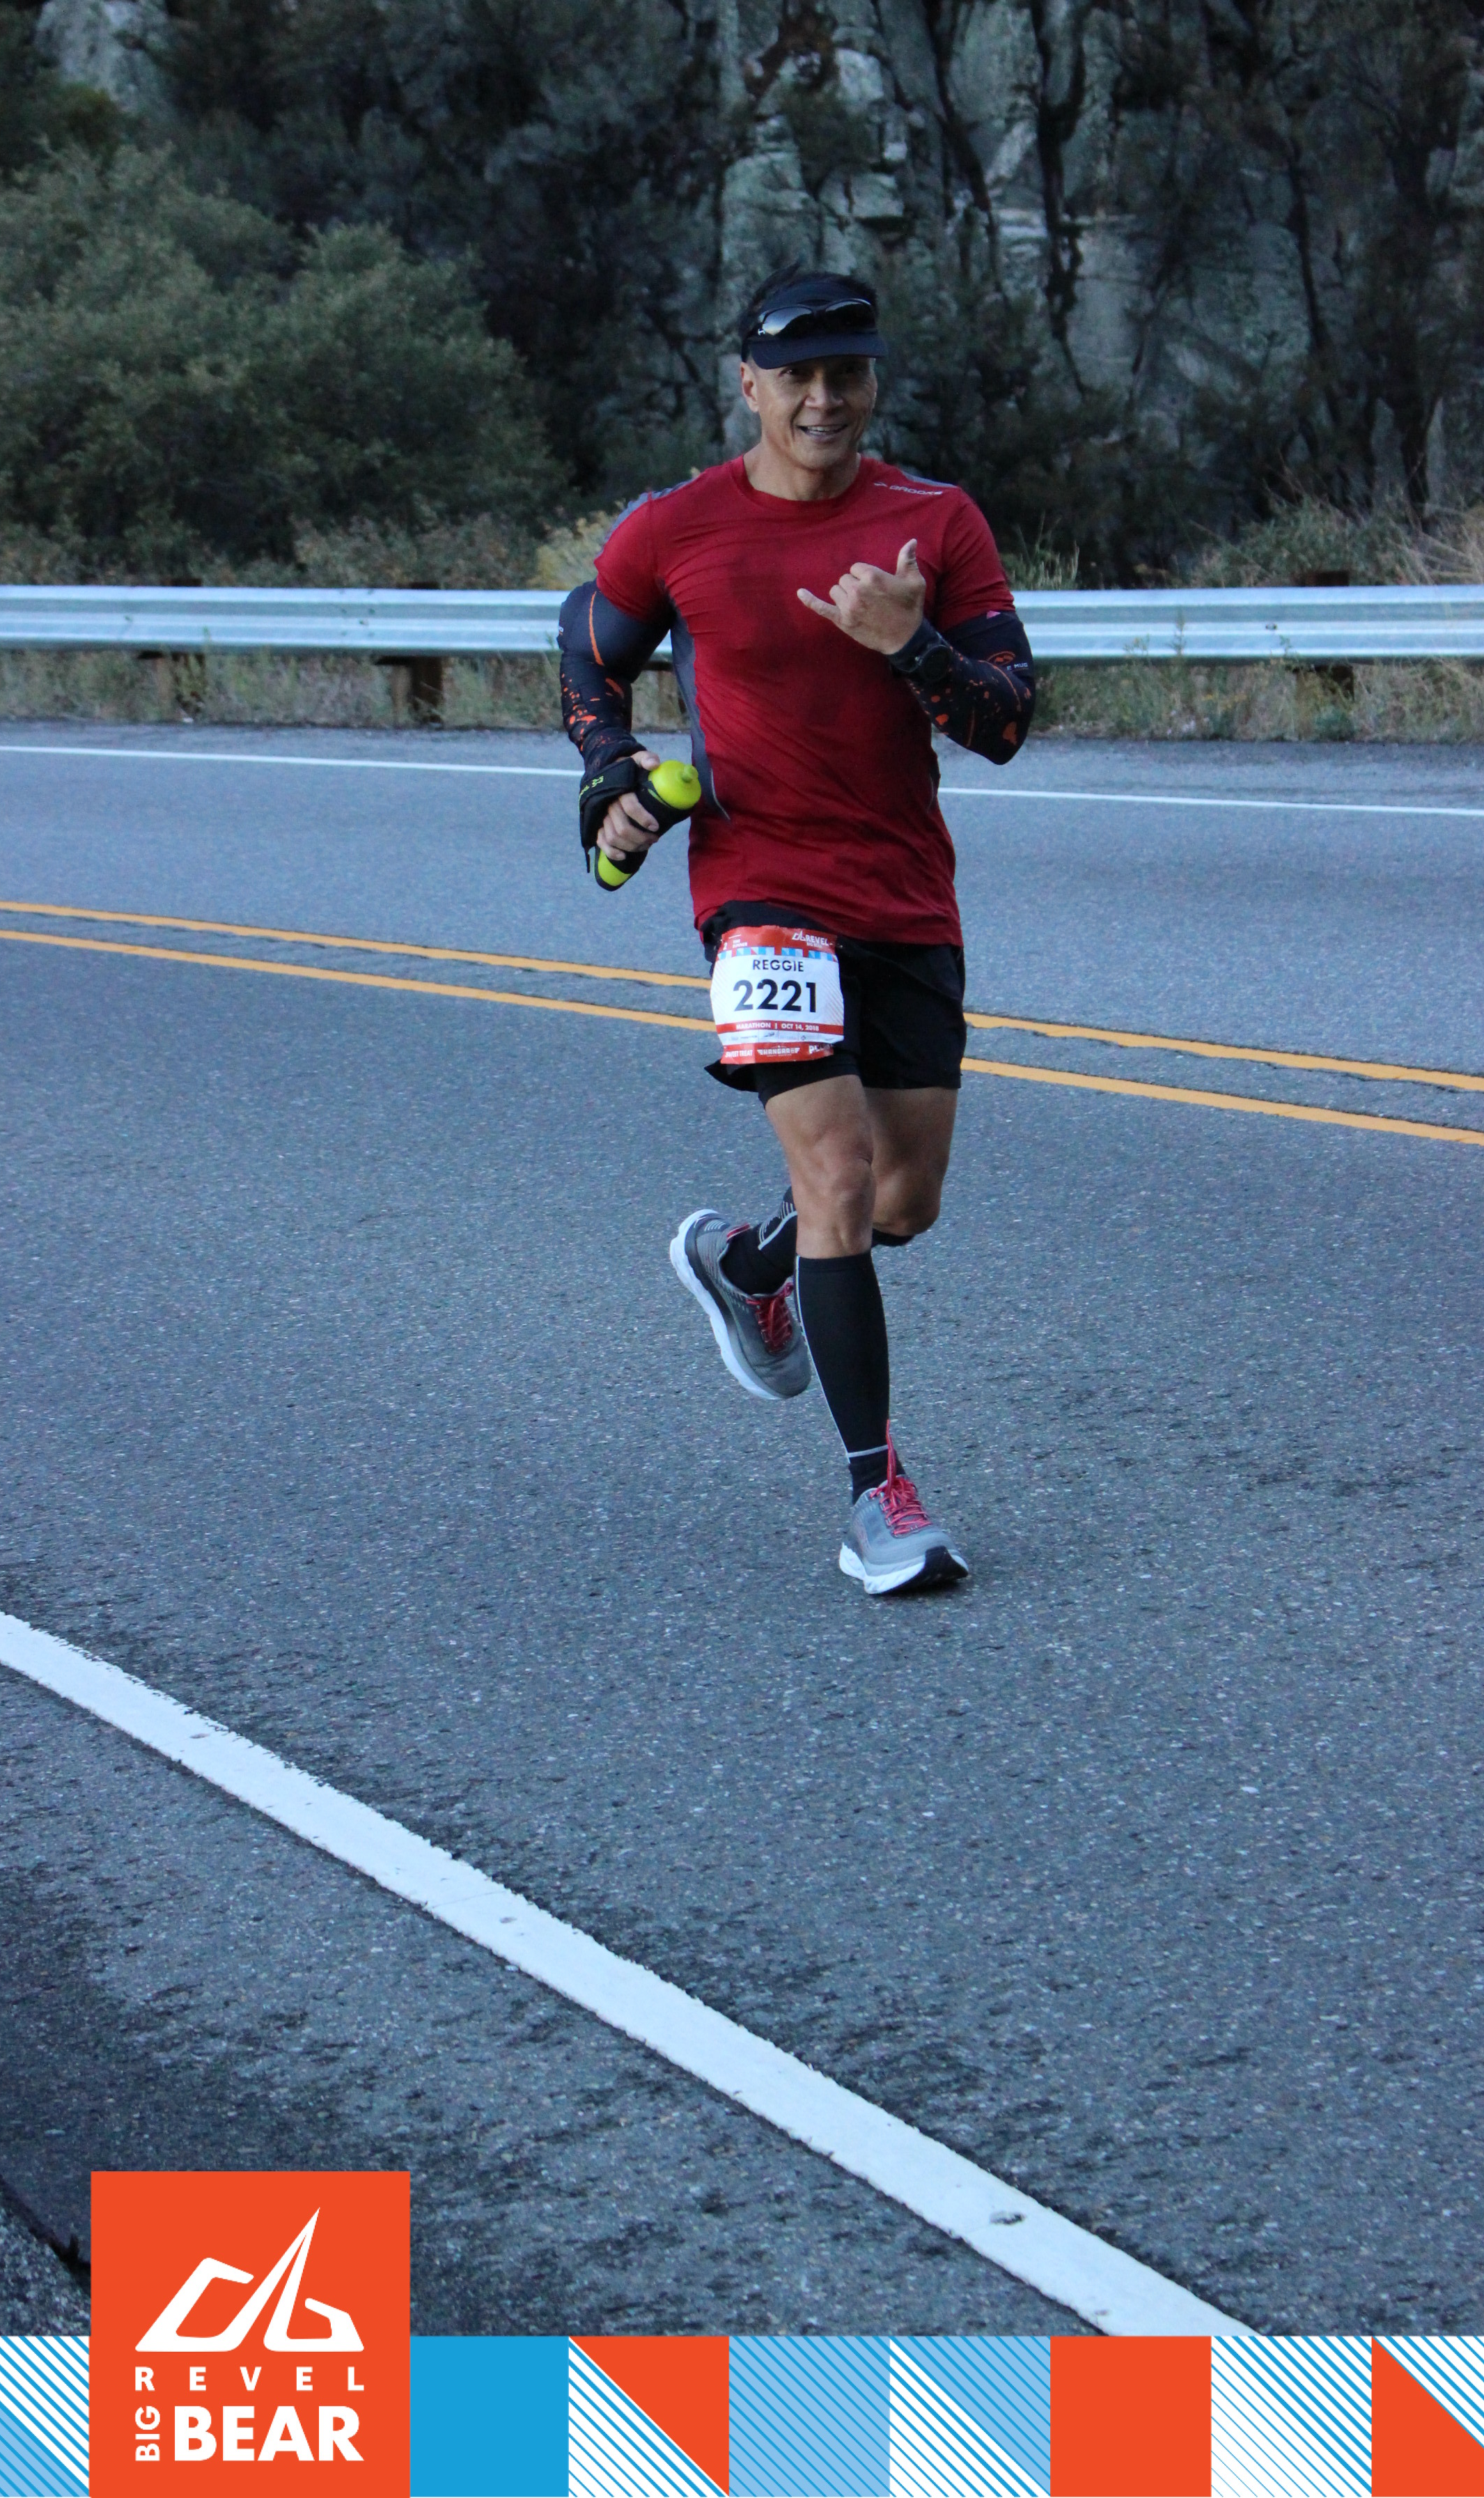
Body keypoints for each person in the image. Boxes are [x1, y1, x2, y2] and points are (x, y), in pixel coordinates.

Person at [558, 267, 1035, 1594]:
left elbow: (1006, 720)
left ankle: (746, 1263)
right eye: (797, 377)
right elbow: (588, 644)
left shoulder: (936, 522)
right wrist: (609, 773)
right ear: (750, 385)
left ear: (873, 379)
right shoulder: (678, 527)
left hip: (905, 890)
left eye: (848, 373)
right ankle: (879, 1498)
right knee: (835, 1175)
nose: (825, 399)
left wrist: (912, 646)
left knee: (902, 1197)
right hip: (756, 886)